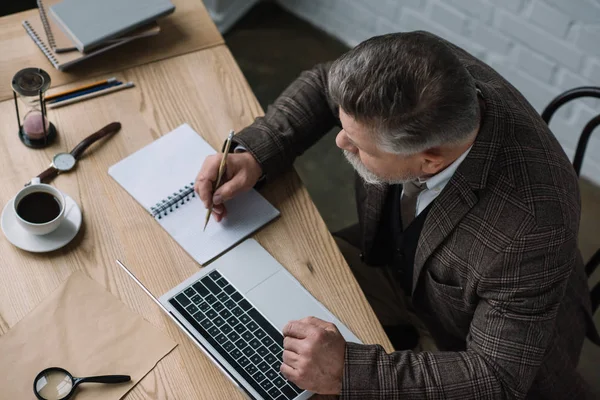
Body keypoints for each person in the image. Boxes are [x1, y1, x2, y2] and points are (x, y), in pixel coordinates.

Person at [195, 31, 598, 399]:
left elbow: (494, 377)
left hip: (464, 345)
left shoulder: (529, 231)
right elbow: (325, 84)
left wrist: (347, 371)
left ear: (428, 159)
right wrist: (256, 154)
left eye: (358, 146)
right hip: (393, 264)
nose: (339, 142)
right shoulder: (424, 69)